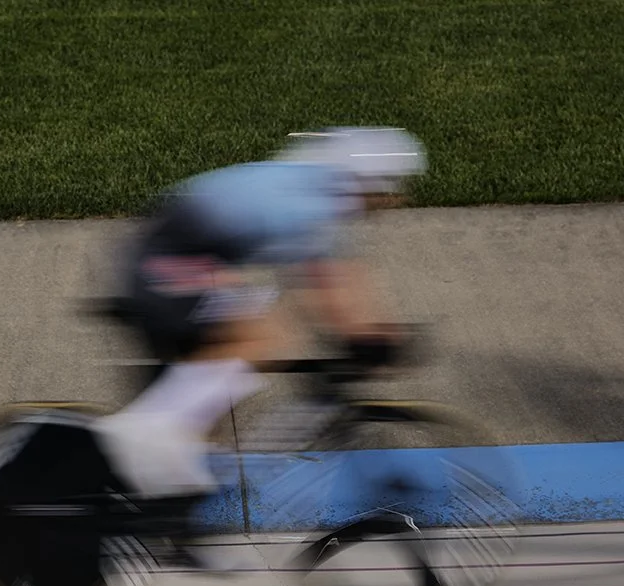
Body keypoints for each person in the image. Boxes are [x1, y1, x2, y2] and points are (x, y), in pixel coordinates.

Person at [91, 126, 428, 513]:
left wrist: (375, 329)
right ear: (370, 182)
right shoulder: (317, 205)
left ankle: (175, 515)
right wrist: (371, 340)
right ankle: (145, 431)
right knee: (267, 336)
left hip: (177, 255)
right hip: (166, 262)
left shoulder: (316, 189)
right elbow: (328, 287)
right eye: (394, 188)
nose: (398, 199)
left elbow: (345, 276)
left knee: (211, 400)